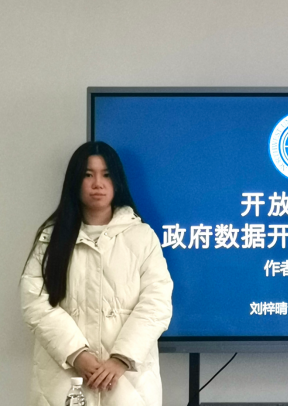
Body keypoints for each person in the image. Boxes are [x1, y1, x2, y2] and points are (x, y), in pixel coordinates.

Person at [20, 141, 173, 406]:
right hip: (64, 381)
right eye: (88, 175)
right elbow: (34, 302)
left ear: (118, 182)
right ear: (75, 182)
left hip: (127, 385)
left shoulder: (142, 237)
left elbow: (157, 303)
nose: (98, 184)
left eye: (106, 175)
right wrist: (77, 354)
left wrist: (120, 359)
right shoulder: (51, 238)